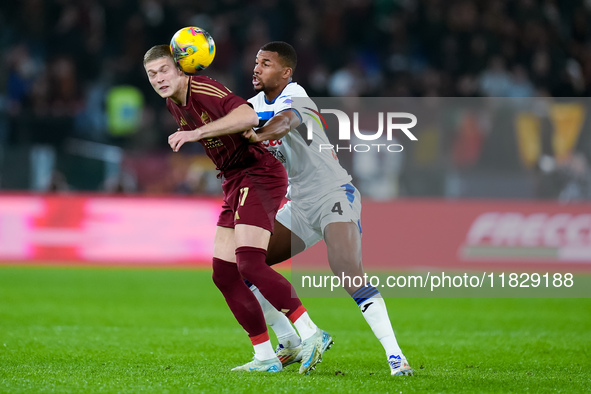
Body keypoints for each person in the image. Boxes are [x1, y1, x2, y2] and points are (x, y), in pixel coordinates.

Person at [143, 44, 332, 374]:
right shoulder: (173, 101)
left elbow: (247, 113)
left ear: (180, 68)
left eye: (163, 70)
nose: (159, 79)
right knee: (224, 273)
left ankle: (312, 333)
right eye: (151, 74)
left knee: (250, 264)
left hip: (258, 174)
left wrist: (196, 133)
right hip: (234, 179)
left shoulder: (203, 88)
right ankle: (266, 356)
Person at [243, 42, 413, 376]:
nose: (257, 68)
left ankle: (396, 357)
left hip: (333, 193)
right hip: (299, 204)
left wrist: (255, 135)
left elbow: (284, 123)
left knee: (347, 270)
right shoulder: (251, 105)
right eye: (256, 62)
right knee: (247, 264)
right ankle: (289, 342)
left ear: (286, 72)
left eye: (266, 63)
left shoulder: (296, 96)